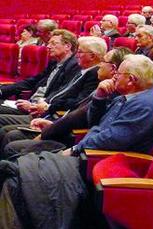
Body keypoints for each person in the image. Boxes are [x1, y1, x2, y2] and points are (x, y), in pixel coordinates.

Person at [2, 48, 131, 156]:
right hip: (57, 124)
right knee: (10, 135)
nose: (99, 65)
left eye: (103, 61)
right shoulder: (102, 86)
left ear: (113, 69)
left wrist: (48, 129)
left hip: (70, 139)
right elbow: (75, 110)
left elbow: (81, 119)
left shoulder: (108, 93)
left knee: (12, 143)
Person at [0, 35, 104, 148]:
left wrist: (47, 106)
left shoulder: (91, 73)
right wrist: (45, 104)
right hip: (46, 112)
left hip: (56, 119)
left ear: (92, 56)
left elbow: (76, 104)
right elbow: (61, 92)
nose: (77, 55)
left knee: (10, 135)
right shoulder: (80, 71)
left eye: (80, 52)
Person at [61, 54, 153, 156]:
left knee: (45, 164)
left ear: (131, 80)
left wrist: (75, 149)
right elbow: (94, 122)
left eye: (118, 73)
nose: (114, 77)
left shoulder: (142, 106)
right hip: (87, 150)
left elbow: (111, 139)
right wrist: (100, 96)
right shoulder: (124, 97)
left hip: (98, 159)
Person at [0, 30, 81, 116]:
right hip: (30, 104)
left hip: (41, 110)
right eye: (49, 43)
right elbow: (32, 81)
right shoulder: (54, 63)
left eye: (53, 43)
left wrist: (34, 105)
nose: (48, 46)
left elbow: (61, 94)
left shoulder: (74, 67)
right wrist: (2, 90)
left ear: (67, 46)